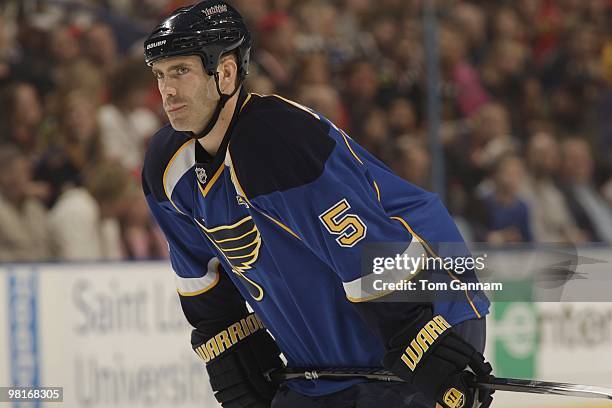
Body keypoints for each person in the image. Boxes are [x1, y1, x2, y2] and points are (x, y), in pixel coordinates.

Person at [141, 2, 493, 408]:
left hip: (424, 311)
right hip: (322, 361)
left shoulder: (279, 141)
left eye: (180, 71)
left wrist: (423, 342)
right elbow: (204, 284)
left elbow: (366, 250)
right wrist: (233, 357)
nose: (166, 90)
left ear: (225, 72)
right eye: (160, 75)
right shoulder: (167, 167)